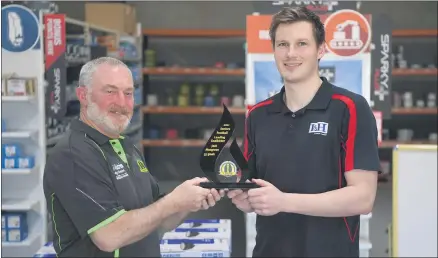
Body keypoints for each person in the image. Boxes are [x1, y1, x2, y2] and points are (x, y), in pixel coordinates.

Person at [228, 6, 380, 257]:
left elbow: (363, 198)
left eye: (301, 44)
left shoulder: (350, 108)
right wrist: (246, 200)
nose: (291, 54)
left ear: (321, 49)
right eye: (282, 44)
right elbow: (253, 188)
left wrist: (284, 201)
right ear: (274, 49)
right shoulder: (257, 115)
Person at [43, 57, 223, 257]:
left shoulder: (125, 146)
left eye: (128, 93)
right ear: (83, 95)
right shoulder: (72, 155)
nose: (121, 103)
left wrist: (188, 201)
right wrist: (174, 201)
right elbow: (108, 236)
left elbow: (158, 219)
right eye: (110, 91)